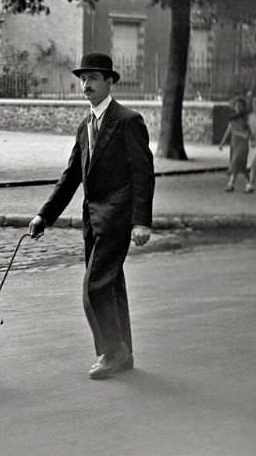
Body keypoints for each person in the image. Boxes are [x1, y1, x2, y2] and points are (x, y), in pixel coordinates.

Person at [28, 53, 155, 380]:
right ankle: (123, 352)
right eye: (83, 78)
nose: (86, 85)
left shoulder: (128, 121)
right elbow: (72, 175)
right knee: (111, 286)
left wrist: (141, 221)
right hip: (92, 218)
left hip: (118, 216)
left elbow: (143, 173)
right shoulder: (85, 126)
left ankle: (111, 352)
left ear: (109, 82)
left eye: (94, 78)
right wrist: (45, 215)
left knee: (94, 287)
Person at [219, 96, 250, 192]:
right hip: (235, 142)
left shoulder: (246, 117)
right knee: (239, 163)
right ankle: (249, 182)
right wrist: (222, 143)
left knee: (237, 160)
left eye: (240, 105)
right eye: (237, 105)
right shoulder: (233, 118)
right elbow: (229, 130)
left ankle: (231, 183)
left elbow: (249, 129)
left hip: (244, 142)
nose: (238, 107)